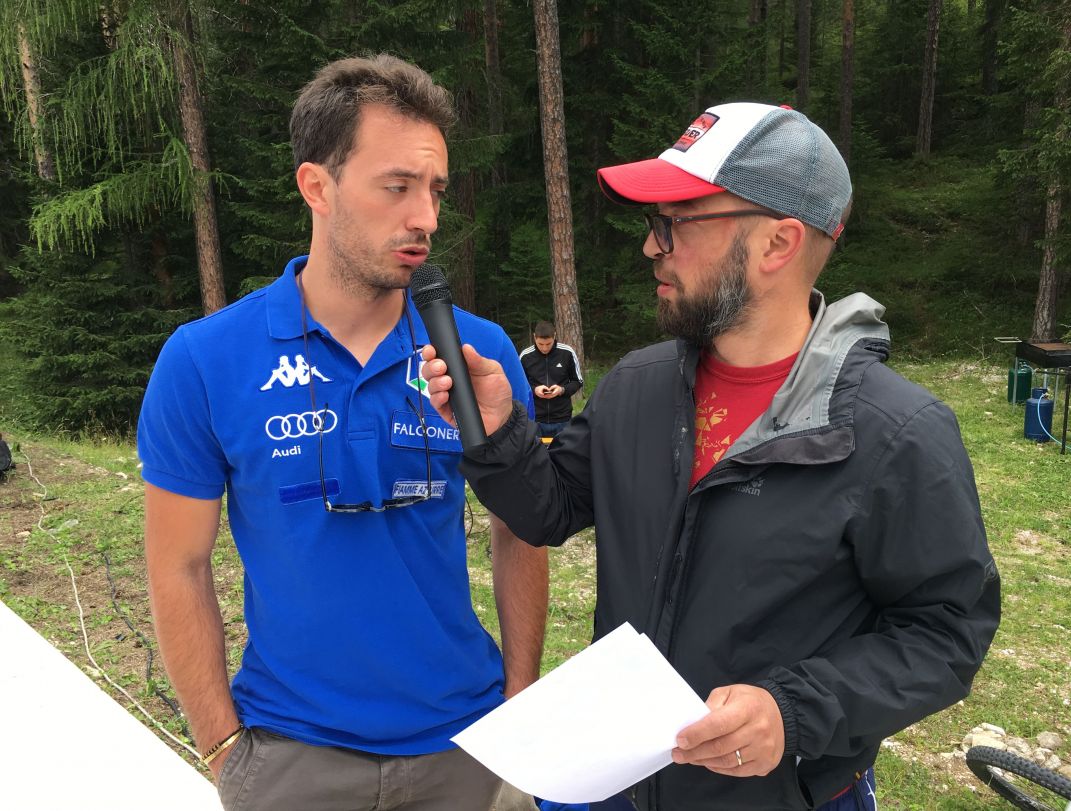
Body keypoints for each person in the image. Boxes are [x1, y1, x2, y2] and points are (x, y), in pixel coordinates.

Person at [422, 102, 1000, 810]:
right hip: (614, 781)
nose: (649, 248)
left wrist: (792, 711)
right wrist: (498, 430)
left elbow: (943, 632)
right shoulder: (636, 386)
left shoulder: (895, 432)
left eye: (673, 224)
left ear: (776, 244)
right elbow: (548, 507)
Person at [138, 54, 548, 811]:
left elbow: (518, 530)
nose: (424, 216)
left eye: (434, 190)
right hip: (293, 755)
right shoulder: (206, 360)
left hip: (466, 746)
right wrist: (223, 747)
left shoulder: (476, 355)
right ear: (316, 186)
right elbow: (179, 565)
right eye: (397, 186)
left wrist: (520, 699)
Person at [518, 321, 583, 439]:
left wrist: (561, 390)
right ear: (534, 337)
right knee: (535, 456)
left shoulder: (567, 352)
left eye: (548, 344)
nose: (544, 348)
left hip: (562, 418)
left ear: (555, 336)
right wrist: (534, 390)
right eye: (540, 344)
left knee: (563, 456)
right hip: (535, 419)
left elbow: (578, 381)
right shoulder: (525, 356)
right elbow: (519, 385)